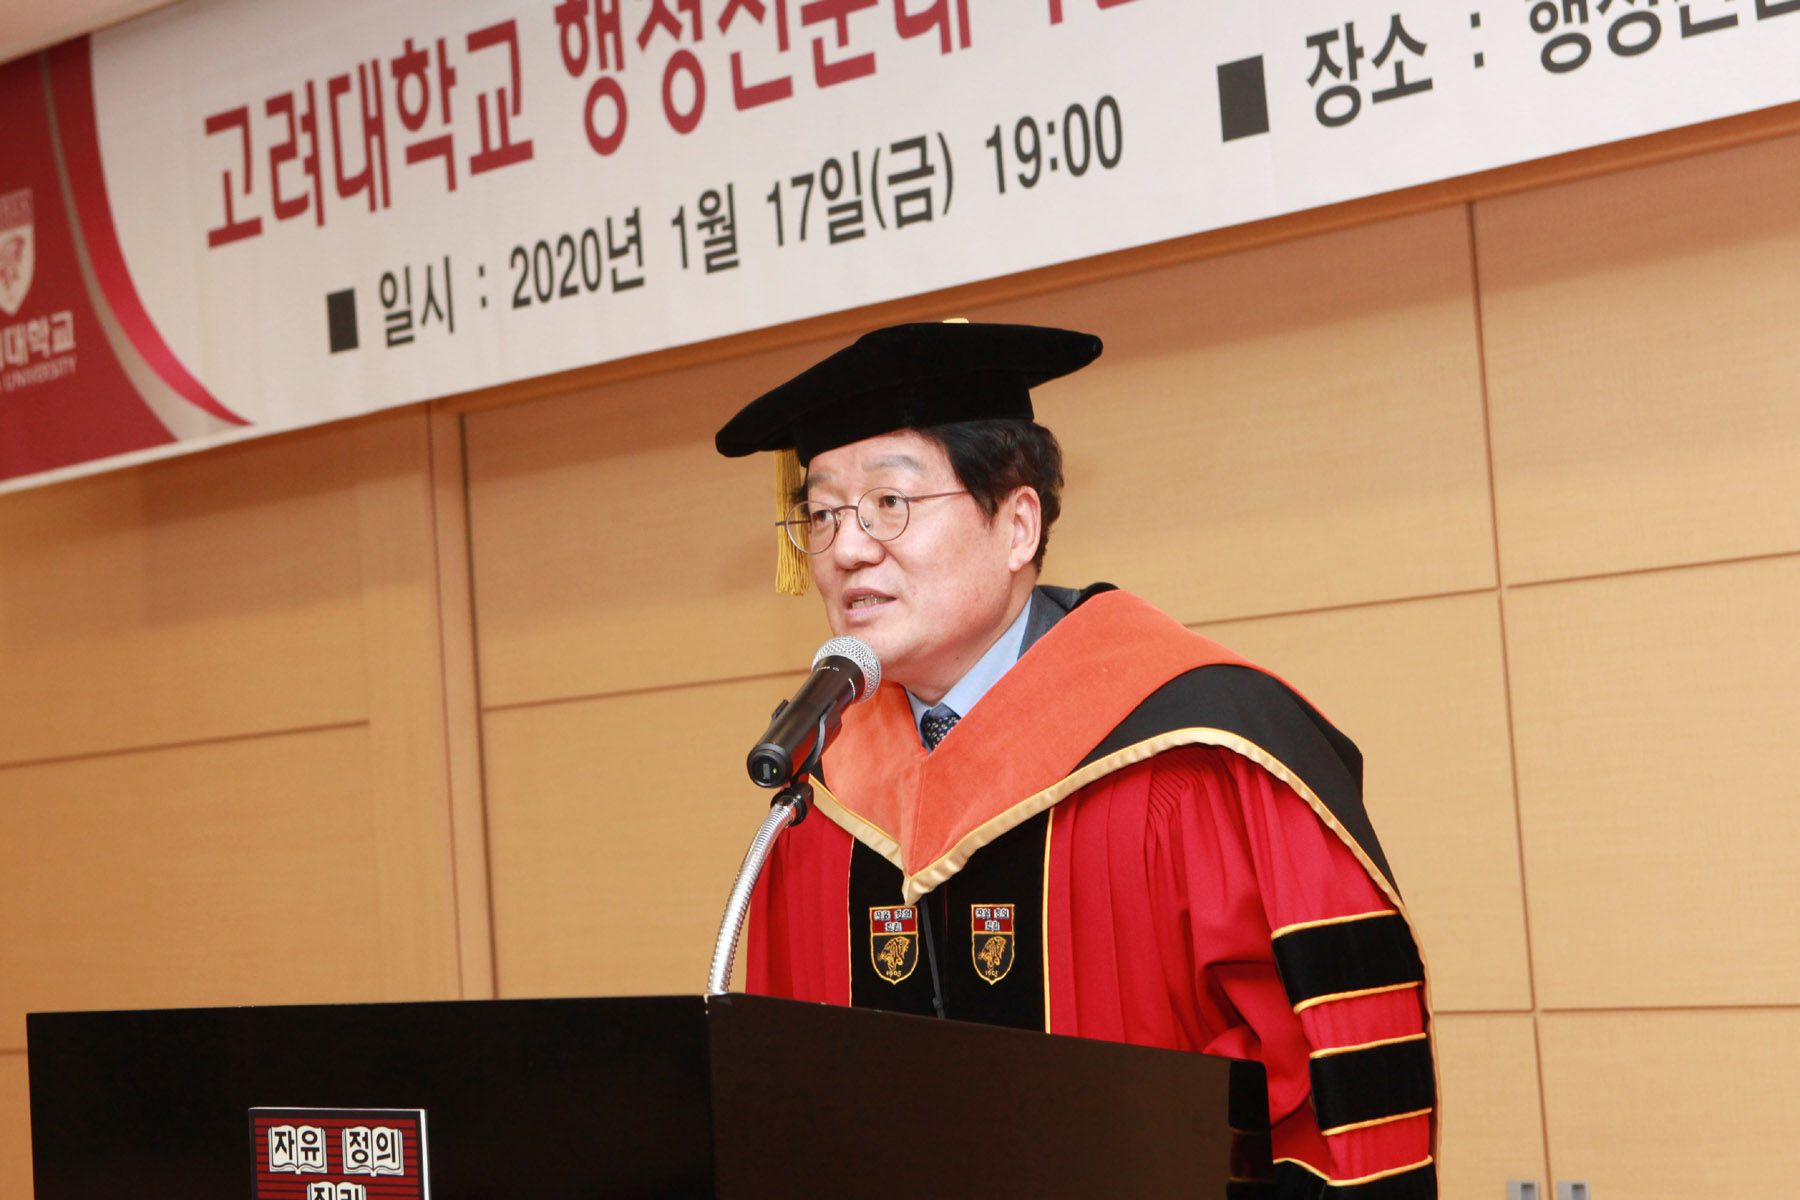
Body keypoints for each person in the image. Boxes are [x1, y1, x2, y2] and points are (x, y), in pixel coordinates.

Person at [715, 321, 1436, 1199]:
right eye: (824, 514)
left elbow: (1338, 1091)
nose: (848, 547)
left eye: (889, 503)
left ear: (1018, 524)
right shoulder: (819, 791)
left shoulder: (1202, 751)